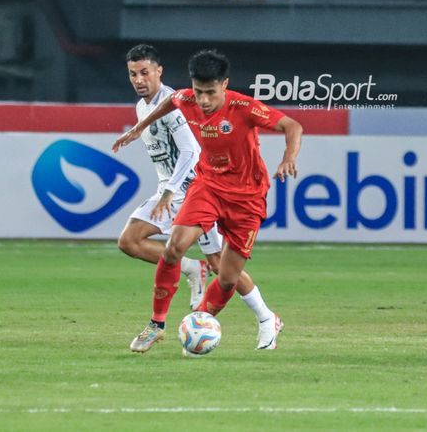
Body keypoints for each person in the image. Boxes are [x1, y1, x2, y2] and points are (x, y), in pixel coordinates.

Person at [114, 49, 302, 354]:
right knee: (174, 246)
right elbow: (170, 102)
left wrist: (288, 158)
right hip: (208, 187)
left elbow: (292, 126)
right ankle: (157, 323)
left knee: (226, 277)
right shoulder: (186, 98)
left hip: (247, 198)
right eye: (199, 92)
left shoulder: (244, 107)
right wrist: (139, 128)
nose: (202, 101)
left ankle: (259, 320)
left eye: (210, 93)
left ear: (224, 85)